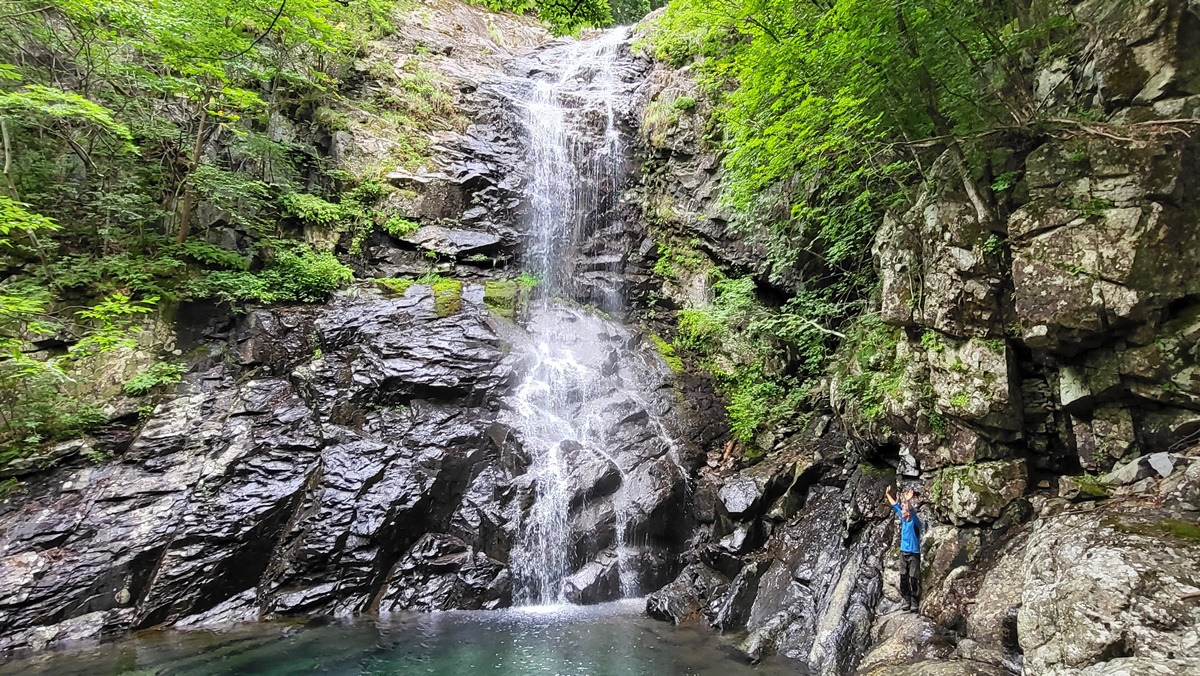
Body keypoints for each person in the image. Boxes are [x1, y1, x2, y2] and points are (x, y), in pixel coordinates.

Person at [886, 485, 922, 612]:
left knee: (913, 578)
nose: (902, 511)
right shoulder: (904, 519)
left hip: (913, 554)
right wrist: (888, 494)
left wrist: (908, 501)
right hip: (903, 553)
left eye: (904, 509)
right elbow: (895, 505)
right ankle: (906, 600)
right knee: (903, 578)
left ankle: (914, 601)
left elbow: (911, 511)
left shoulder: (915, 522)